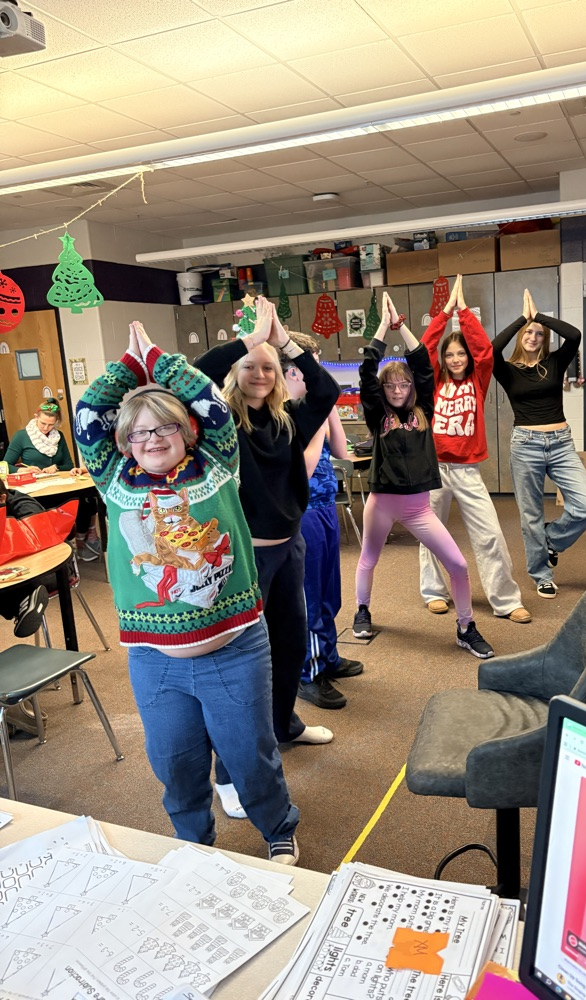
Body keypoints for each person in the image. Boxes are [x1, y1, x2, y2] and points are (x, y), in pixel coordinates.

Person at [74, 320, 300, 864]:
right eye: (139, 433)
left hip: (236, 648)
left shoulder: (219, 464)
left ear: (187, 432)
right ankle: (194, 841)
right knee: (174, 761)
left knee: (251, 755)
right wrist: (127, 367)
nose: (151, 440)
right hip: (155, 660)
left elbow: (212, 405)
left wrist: (157, 357)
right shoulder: (114, 480)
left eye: (164, 429)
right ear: (126, 442)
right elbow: (87, 419)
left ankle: (277, 829)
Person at [194, 298, 340, 818]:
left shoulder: (287, 420)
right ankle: (229, 772)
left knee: (289, 644)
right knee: (243, 668)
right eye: (249, 366)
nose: (259, 373)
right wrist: (252, 338)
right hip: (245, 560)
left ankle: (285, 725)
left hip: (288, 548)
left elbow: (325, 389)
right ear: (235, 375)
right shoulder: (219, 424)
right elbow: (195, 372)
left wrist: (285, 342)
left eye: (269, 368)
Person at [353, 291, 494, 659]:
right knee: (368, 559)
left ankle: (466, 627)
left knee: (459, 565)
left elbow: (423, 364)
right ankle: (363, 610)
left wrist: (405, 330)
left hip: (419, 508)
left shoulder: (425, 408)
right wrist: (384, 328)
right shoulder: (377, 414)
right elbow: (367, 371)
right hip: (382, 504)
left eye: (403, 385)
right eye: (391, 386)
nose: (398, 390)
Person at [419, 275, 530, 625]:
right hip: (433, 467)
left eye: (460, 354)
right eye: (449, 354)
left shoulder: (477, 381)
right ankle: (434, 593)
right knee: (430, 532)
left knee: (490, 534)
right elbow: (423, 350)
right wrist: (444, 314)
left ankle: (506, 600)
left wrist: (463, 312)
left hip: (467, 469)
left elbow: (485, 351)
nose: (455, 359)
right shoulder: (434, 381)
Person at [492, 288, 586, 598]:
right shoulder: (507, 370)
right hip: (525, 444)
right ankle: (542, 574)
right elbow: (490, 349)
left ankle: (551, 540)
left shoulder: (555, 362)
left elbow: (575, 335)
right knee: (530, 515)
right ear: (520, 336)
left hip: (560, 442)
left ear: (545, 338)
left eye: (538, 333)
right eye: (529, 332)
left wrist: (539, 316)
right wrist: (521, 320)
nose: (534, 336)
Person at [283, 331, 364, 710]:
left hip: (326, 505)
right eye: (309, 369)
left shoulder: (313, 408)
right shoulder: (284, 415)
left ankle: (328, 656)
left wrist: (328, 408)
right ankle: (308, 672)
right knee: (309, 598)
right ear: (290, 372)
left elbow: (341, 449)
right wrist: (316, 422)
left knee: (331, 591)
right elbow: (304, 468)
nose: (317, 377)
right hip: (303, 513)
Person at [5, 399, 101, 562]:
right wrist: (23, 469)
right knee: (52, 509)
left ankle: (81, 539)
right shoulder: (22, 436)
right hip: (35, 491)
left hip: (56, 485)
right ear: (36, 417)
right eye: (43, 423)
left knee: (86, 500)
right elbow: (5, 465)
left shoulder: (59, 436)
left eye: (51, 425)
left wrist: (55, 467)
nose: (45, 428)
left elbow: (68, 465)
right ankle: (66, 544)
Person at [0, 489, 51, 637]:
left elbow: (42, 543)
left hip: (50, 568)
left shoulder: (25, 507)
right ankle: (25, 605)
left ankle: (23, 603)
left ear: (2, 498)